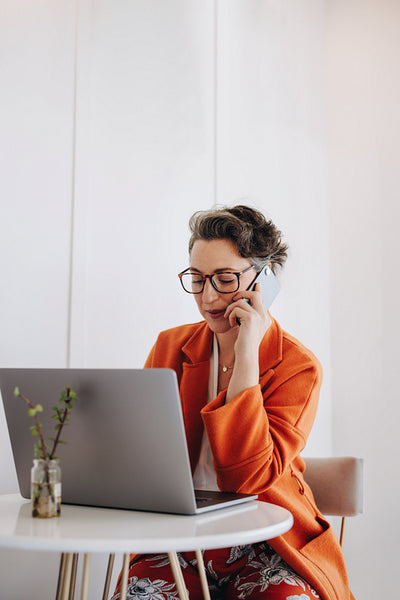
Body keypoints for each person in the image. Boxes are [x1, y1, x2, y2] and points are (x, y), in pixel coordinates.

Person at [112, 205, 354, 600]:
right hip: (179, 542)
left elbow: (248, 480)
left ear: (264, 279)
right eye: (197, 278)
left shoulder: (298, 365)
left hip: (270, 544)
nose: (208, 297)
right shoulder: (170, 347)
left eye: (225, 279)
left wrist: (247, 355)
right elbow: (140, 456)